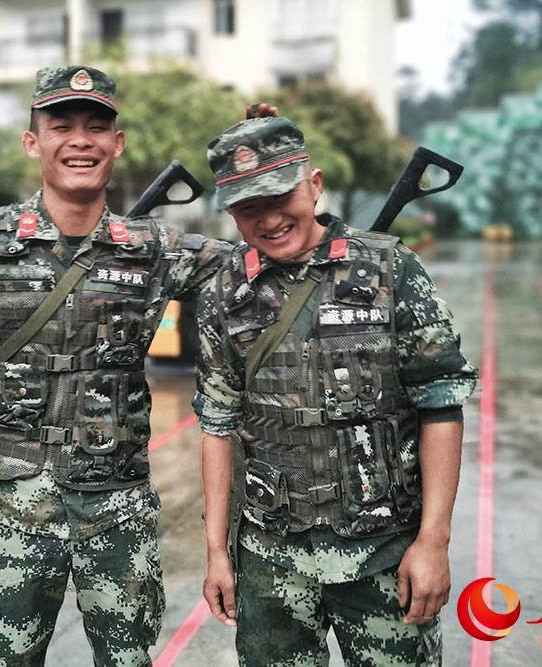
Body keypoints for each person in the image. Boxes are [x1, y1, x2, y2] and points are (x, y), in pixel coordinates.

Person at [0, 65, 227, 666]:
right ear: (33, 142)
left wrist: (255, 155)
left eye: (96, 127)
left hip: (117, 508)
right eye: (61, 126)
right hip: (11, 508)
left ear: (118, 143)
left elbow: (264, 256)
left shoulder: (153, 250)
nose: (80, 140)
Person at [193, 115, 478, 666]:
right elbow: (217, 423)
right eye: (249, 207)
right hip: (271, 559)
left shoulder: (392, 268)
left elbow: (441, 405)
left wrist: (434, 541)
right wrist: (217, 553)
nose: (269, 218)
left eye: (281, 196)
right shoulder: (225, 292)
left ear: (314, 185)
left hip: (383, 555)